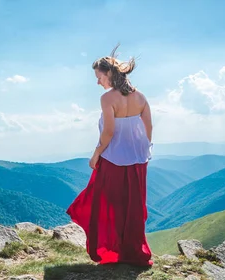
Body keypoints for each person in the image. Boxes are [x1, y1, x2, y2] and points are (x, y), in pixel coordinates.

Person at [66, 44, 154, 266]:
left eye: (99, 76)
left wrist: (96, 154)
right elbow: (149, 127)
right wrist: (143, 149)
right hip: (138, 160)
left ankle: (111, 250)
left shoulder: (107, 99)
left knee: (103, 202)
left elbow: (109, 131)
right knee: (133, 205)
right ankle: (133, 251)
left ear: (109, 74)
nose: (98, 82)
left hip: (113, 158)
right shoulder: (141, 97)